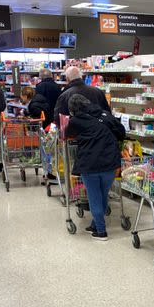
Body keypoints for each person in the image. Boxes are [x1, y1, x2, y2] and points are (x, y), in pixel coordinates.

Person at [65, 94, 125, 240]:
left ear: (72, 109)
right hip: (111, 162)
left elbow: (67, 135)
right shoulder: (105, 114)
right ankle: (94, 224)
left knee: (94, 199)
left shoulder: (75, 121)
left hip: (90, 164)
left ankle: (101, 231)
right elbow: (121, 131)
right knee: (103, 197)